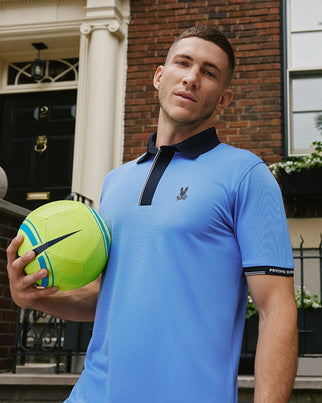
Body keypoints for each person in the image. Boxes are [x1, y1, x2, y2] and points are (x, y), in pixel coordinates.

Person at [7, 26, 298, 402]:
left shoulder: (246, 175)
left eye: (208, 72)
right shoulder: (116, 181)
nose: (192, 78)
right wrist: (34, 299)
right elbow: (107, 297)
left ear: (223, 99)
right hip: (95, 392)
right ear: (160, 76)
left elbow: (277, 308)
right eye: (183, 63)